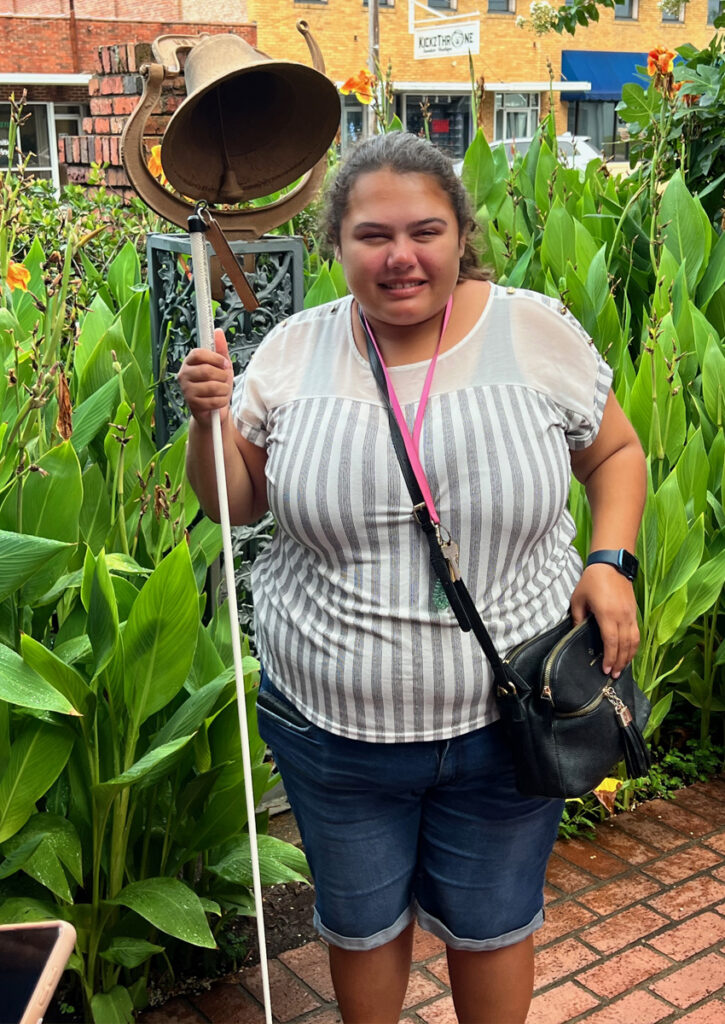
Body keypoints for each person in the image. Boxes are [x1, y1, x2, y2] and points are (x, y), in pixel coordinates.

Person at [178, 131, 646, 1024]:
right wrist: (207, 422)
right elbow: (234, 502)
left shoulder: (531, 331)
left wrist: (608, 561)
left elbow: (615, 451)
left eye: (425, 231)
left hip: (506, 724)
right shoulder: (291, 353)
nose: (400, 257)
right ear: (337, 244)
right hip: (331, 731)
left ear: (461, 234)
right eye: (372, 235)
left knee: (494, 924)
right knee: (358, 927)